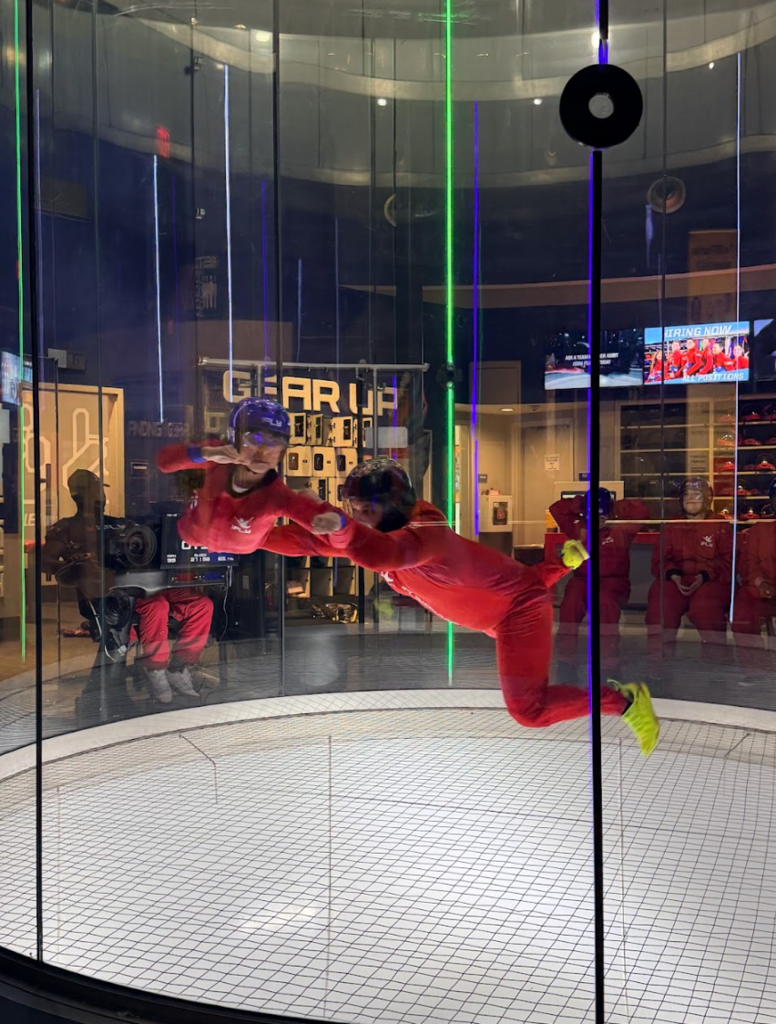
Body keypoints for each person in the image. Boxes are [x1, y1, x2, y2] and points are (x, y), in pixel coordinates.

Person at [261, 458, 660, 756]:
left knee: (530, 711)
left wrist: (315, 518)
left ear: (394, 503)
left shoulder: (425, 534)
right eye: (352, 507)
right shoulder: (379, 528)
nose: (355, 516)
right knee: (506, 594)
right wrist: (243, 535)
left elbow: (381, 556)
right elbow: (494, 577)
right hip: (505, 602)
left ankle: (624, 701)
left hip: (519, 613)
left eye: (364, 509)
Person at [41, 470, 212, 703]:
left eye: (101, 490)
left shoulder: (121, 524)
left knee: (201, 605)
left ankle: (179, 667)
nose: (101, 495)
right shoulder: (65, 528)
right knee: (156, 606)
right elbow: (46, 562)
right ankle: (155, 668)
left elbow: (150, 549)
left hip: (150, 581)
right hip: (114, 592)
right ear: (77, 496)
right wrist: (76, 566)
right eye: (95, 490)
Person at [156, 397, 328, 553]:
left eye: (275, 443)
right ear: (234, 438)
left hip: (250, 545)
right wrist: (206, 453)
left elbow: (331, 539)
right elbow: (164, 461)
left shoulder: (278, 497)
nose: (263, 451)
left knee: (313, 543)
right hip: (189, 534)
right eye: (255, 439)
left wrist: (332, 517)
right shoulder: (217, 457)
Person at [550, 488, 649, 682]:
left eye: (602, 515)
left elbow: (642, 512)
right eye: (593, 514)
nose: (598, 520)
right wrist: (581, 504)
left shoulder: (620, 528)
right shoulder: (578, 526)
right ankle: (565, 661)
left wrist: (615, 507)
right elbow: (556, 509)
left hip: (613, 582)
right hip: (582, 580)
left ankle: (608, 663)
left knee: (605, 603)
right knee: (571, 602)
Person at [645, 477, 732, 681]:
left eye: (696, 495)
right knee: (661, 607)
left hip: (710, 580)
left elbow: (728, 561)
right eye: (686, 495)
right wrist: (673, 575)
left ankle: (716, 668)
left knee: (706, 610)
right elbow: (659, 559)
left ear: (707, 499)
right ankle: (658, 669)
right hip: (676, 579)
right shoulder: (672, 524)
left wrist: (704, 576)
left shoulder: (720, 524)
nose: (690, 499)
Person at [731, 479, 776, 684]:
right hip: (761, 591)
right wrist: (760, 583)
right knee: (742, 612)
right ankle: (754, 670)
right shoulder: (760, 530)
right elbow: (748, 562)